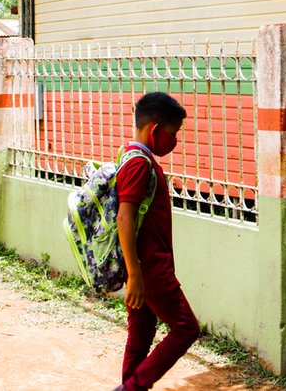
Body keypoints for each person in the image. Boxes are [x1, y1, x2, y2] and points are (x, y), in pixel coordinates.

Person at [114, 92, 198, 391]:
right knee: (187, 328)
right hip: (149, 269)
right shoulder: (139, 164)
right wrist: (135, 273)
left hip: (143, 266)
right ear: (154, 129)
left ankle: (130, 386)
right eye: (173, 133)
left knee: (141, 334)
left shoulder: (136, 158)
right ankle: (132, 388)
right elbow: (124, 218)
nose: (175, 140)